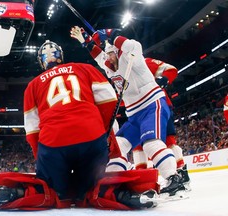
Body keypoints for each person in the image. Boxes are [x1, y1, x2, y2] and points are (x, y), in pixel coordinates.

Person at [0, 40, 158, 210]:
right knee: (87, 189)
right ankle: (120, 194)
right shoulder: (84, 68)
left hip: (53, 143)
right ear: (61, 57)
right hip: (91, 137)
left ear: (42, 62)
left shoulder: (33, 85)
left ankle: (17, 193)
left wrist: (42, 162)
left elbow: (31, 130)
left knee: (53, 192)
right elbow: (109, 102)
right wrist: (104, 136)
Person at [70, 26, 185, 196]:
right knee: (118, 147)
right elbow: (96, 55)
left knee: (151, 144)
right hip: (133, 114)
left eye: (111, 53)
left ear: (118, 52)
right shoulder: (108, 65)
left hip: (151, 104)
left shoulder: (133, 55)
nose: (108, 57)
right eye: (107, 54)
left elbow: (132, 45)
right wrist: (84, 40)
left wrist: (111, 34)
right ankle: (115, 182)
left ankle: (174, 179)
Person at [132, 58, 190, 190]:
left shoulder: (143, 62)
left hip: (158, 105)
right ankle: (143, 181)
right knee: (138, 144)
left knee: (167, 140)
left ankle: (180, 175)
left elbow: (171, 69)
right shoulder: (120, 70)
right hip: (138, 110)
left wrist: (162, 80)